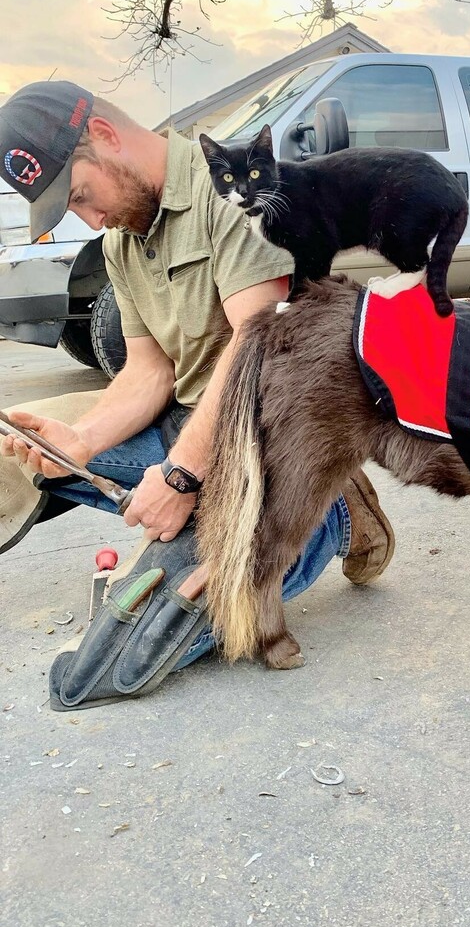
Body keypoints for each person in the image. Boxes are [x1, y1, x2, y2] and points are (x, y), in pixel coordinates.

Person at [0, 80, 395, 678]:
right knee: (28, 451)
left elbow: (258, 345)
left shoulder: (233, 196)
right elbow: (149, 370)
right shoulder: (121, 240)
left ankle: (331, 506)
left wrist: (183, 475)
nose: (89, 218)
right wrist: (80, 443)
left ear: (105, 137)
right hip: (191, 424)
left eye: (81, 195)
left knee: (174, 622)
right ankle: (261, 503)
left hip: (272, 433)